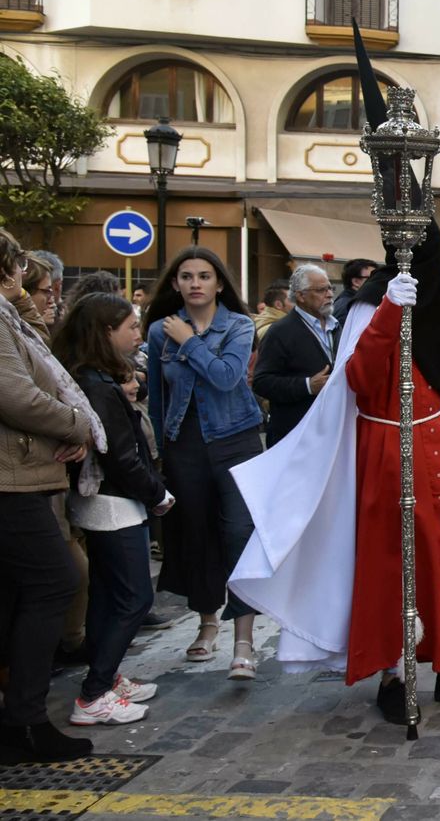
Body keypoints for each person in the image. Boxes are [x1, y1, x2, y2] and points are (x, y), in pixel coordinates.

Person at [231, 226, 440, 724]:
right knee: (394, 562)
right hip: (388, 444)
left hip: (437, 440)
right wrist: (388, 314)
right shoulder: (370, 304)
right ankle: (392, 674)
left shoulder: (435, 300)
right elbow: (359, 378)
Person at [0, 231, 101, 762]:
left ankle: (20, 717)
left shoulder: (11, 314)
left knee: (23, 590)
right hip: (10, 475)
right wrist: (77, 424)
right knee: (55, 580)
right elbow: (16, 392)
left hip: (23, 472)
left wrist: (20, 301)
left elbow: (43, 357)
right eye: (19, 270)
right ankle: (25, 720)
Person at [143, 246, 264, 680]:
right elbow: (158, 398)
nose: (195, 283)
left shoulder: (238, 325)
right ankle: (207, 623)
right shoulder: (160, 330)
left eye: (204, 276)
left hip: (236, 441)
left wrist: (189, 343)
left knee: (239, 535)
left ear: (218, 283)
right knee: (194, 534)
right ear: (175, 283)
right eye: (187, 276)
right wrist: (159, 449)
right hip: (185, 446)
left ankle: (244, 641)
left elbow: (227, 377)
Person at [54, 293, 172, 725]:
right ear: (106, 332)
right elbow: (121, 457)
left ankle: (106, 676)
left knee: (107, 596)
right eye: (130, 327)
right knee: (134, 598)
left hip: (107, 502)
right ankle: (94, 693)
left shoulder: (95, 379)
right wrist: (157, 493)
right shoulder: (98, 386)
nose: (137, 333)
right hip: (113, 505)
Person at [252, 264, 337, 447]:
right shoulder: (280, 331)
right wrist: (307, 385)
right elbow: (261, 382)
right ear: (301, 296)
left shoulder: (337, 326)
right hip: (295, 435)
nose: (329, 294)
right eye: (321, 290)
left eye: (330, 288)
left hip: (332, 432)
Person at [333, 258, 379, 324]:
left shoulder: (346, 301)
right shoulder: (351, 306)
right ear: (356, 282)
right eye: (373, 277)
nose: (377, 281)